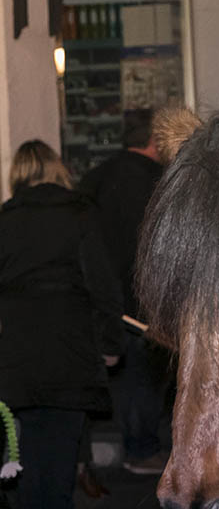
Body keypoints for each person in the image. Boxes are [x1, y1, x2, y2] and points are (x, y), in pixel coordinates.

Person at [0, 141, 123, 509]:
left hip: (17, 358)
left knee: (29, 457)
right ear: (57, 169)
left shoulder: (4, 220)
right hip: (69, 355)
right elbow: (104, 288)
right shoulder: (80, 214)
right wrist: (111, 345)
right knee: (58, 465)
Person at [78, 109, 170, 475]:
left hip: (107, 298)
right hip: (144, 298)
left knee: (125, 377)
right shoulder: (156, 181)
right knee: (146, 379)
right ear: (155, 140)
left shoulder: (96, 178)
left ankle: (132, 444)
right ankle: (141, 448)